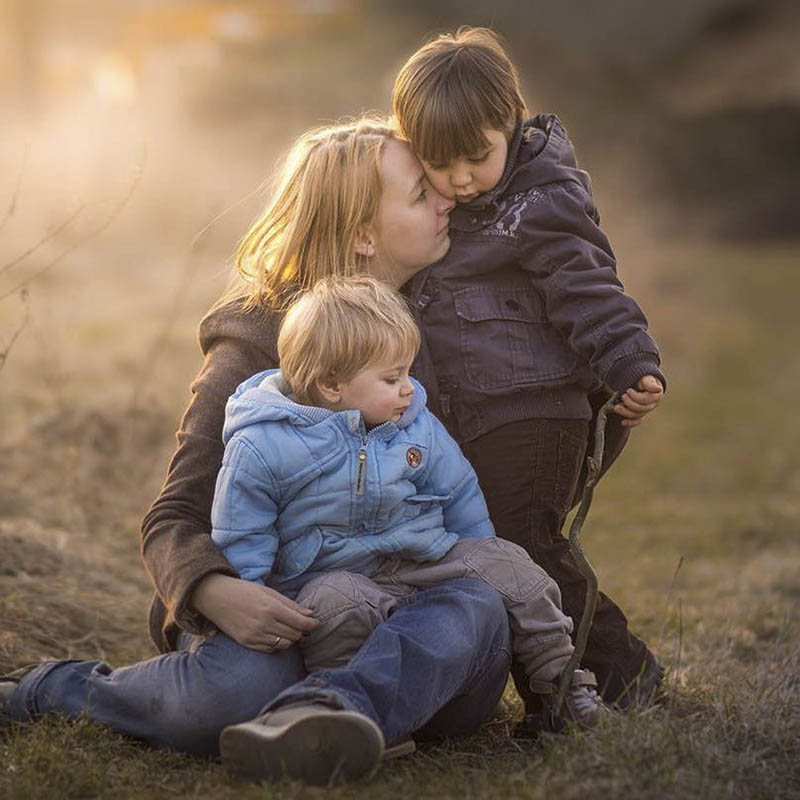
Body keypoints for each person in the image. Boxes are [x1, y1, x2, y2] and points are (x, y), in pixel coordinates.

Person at [0, 118, 512, 785]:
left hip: (404, 613)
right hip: (288, 622)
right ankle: (47, 693)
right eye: (420, 193)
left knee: (475, 611)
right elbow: (174, 516)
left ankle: (324, 713)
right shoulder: (252, 350)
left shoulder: (439, 328)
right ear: (363, 232)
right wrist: (215, 591)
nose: (447, 198)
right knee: (229, 693)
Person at [210, 275, 602, 780]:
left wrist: (476, 552)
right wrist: (249, 594)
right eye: (392, 378)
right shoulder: (263, 444)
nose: (409, 388)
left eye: (407, 373)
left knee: (508, 565)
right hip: (329, 572)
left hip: (421, 559)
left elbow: (460, 494)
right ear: (332, 386)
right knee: (336, 604)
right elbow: (243, 531)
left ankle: (561, 682)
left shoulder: (416, 426)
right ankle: (345, 722)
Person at [391, 27, 666, 712]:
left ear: (510, 120)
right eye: (438, 162)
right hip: (476, 420)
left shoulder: (538, 198)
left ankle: (620, 676)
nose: (457, 179)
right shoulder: (452, 199)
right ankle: (553, 690)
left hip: (538, 413)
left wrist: (629, 360)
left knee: (526, 548)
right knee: (495, 556)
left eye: (475, 158)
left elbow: (586, 284)